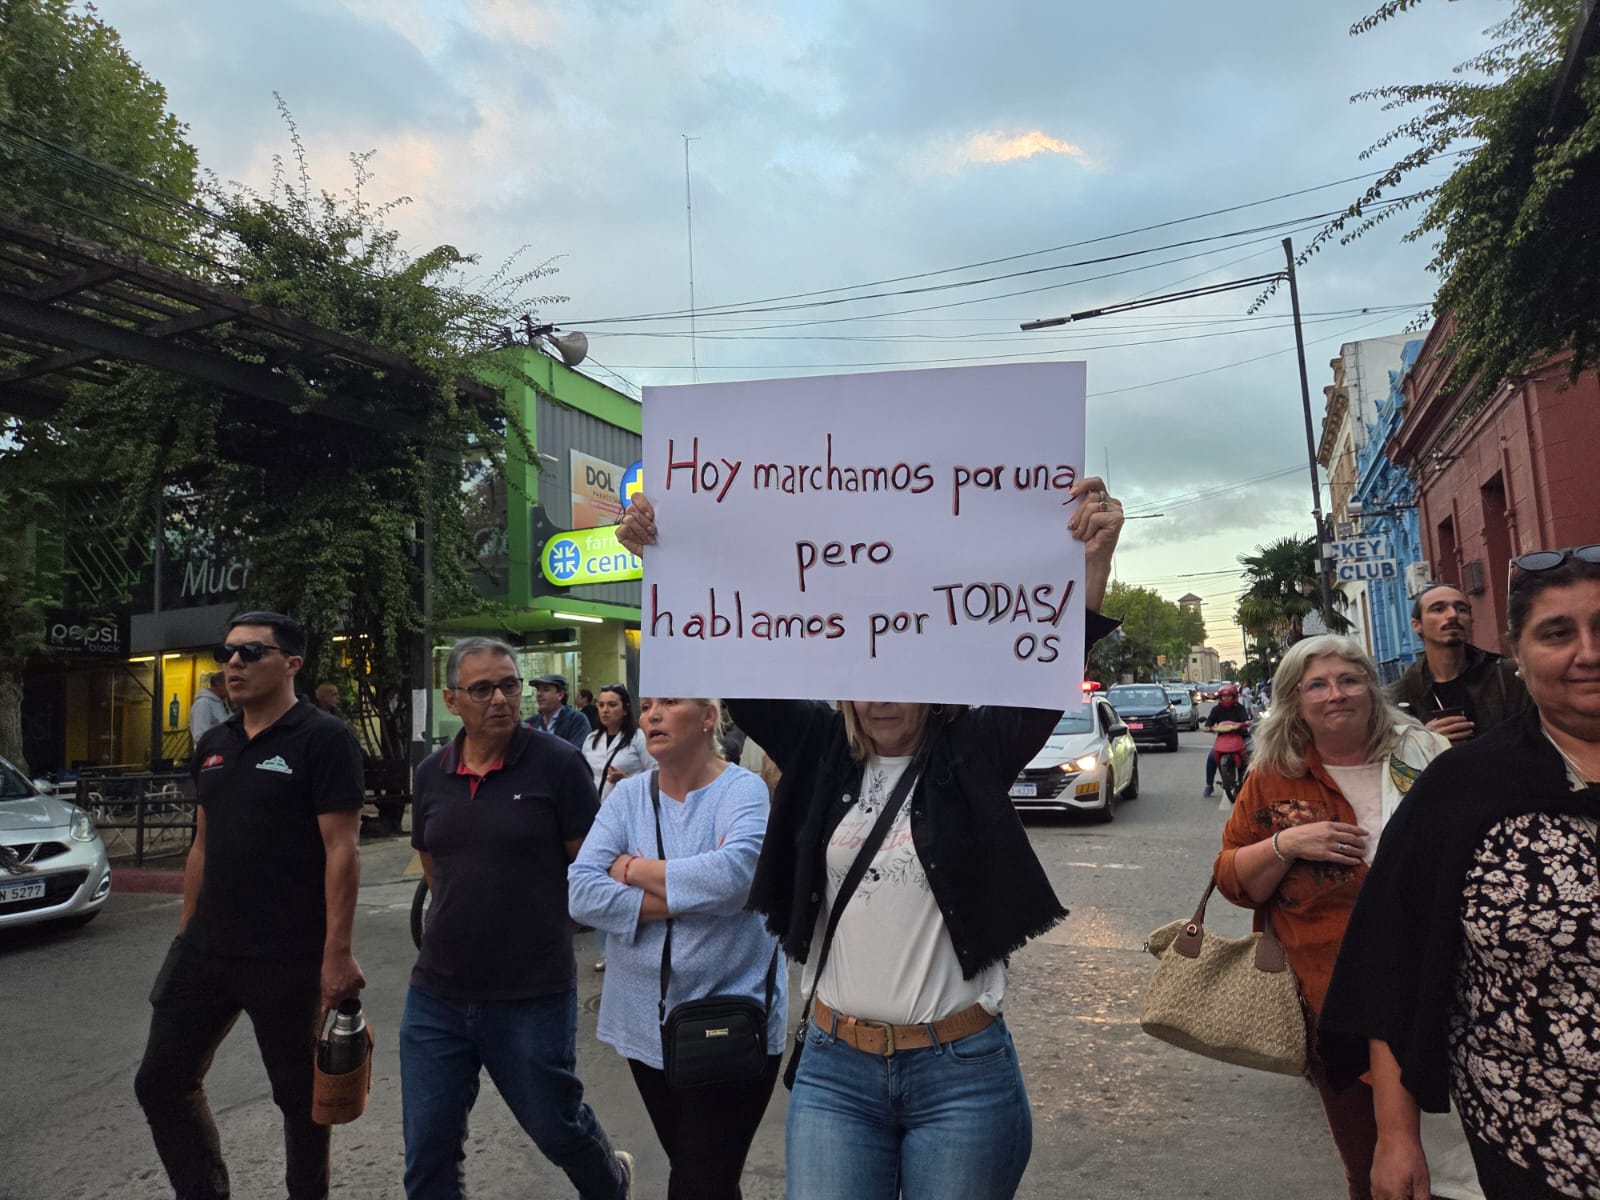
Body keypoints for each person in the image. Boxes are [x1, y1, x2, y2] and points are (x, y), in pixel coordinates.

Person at [617, 474, 1123, 1200]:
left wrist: (1090, 567)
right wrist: (662, 556)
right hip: (835, 1072)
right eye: (866, 676)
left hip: (962, 1075)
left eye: (903, 676)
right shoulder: (821, 747)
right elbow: (725, 647)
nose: (883, 696)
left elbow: (1046, 673)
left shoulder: (973, 749)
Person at [1321, 546, 1600, 1200]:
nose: (1588, 652)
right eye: (1558, 633)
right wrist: (1396, 1137)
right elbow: (1395, 957)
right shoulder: (1461, 787)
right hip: (1533, 1140)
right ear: (1519, 655)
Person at [1212, 636, 1469, 1200]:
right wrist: (1285, 844)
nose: (1336, 695)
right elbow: (1232, 879)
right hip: (1333, 1003)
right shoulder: (1275, 775)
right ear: (1294, 700)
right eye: (1317, 685)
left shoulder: (1423, 753)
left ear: (1371, 689)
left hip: (1441, 991)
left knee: (1460, 1166)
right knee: (1373, 1170)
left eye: (1349, 680)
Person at [134, 612, 366, 1200]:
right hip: (206, 951)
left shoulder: (323, 738)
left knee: (302, 1102)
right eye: (228, 652)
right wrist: (186, 934)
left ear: (291, 664)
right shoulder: (214, 744)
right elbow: (202, 845)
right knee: (161, 1082)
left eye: (251, 653)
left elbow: (342, 849)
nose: (233, 663)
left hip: (286, 956)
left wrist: (336, 953)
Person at [401, 637, 633, 1199]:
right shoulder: (432, 773)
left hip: (532, 990)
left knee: (558, 1127)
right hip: (438, 993)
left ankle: (611, 1182)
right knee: (428, 1150)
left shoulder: (557, 764)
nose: (500, 698)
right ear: (453, 700)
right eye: (482, 689)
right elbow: (434, 863)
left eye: (509, 685)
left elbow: (591, 861)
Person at [569, 696, 785, 1200]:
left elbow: (736, 877)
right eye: (646, 706)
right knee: (702, 1171)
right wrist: (682, 899)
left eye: (669, 703)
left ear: (709, 717)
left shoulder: (743, 790)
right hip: (646, 1024)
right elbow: (581, 892)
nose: (652, 716)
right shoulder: (627, 800)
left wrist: (629, 869)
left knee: (697, 1181)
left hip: (733, 1015)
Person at [1388, 583, 1530, 742]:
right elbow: (1388, 757)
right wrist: (1423, 741)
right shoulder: (1398, 696)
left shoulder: (1510, 675)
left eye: (1462, 609)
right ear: (1417, 625)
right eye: (1438, 609)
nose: (1452, 615)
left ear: (1471, 621)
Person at [582, 684, 653, 803]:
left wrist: (626, 780)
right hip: (595, 810)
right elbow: (583, 775)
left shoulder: (638, 738)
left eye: (612, 705)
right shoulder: (591, 739)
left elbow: (656, 775)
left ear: (625, 709)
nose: (605, 710)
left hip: (628, 806)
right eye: (601, 705)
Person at [1201, 683, 1252, 797]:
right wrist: (1207, 728)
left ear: (1234, 696)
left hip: (1241, 736)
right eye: (1223, 696)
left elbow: (1245, 720)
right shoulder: (1216, 709)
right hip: (1223, 738)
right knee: (1211, 758)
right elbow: (1209, 723)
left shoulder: (1240, 708)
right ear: (1220, 697)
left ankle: (1254, 784)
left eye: (1229, 696)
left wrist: (1246, 723)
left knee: (1253, 754)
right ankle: (1209, 785)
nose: (1226, 698)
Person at [533, 673, 593, 749]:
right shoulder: (531, 723)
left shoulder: (577, 720)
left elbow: (575, 755)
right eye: (538, 689)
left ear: (560, 695)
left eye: (545, 689)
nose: (539, 694)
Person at [188, 671, 229, 747]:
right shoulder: (203, 704)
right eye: (228, 684)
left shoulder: (223, 704)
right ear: (218, 684)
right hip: (211, 755)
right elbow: (200, 735)